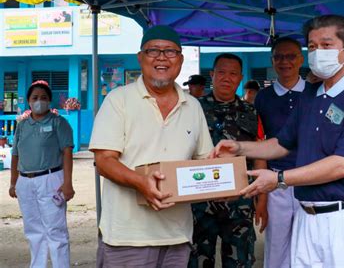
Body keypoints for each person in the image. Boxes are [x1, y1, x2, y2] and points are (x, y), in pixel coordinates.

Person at [213, 14, 344, 267]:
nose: (318, 53)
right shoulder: (311, 94)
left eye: (326, 45)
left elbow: (343, 165)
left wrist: (280, 179)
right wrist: (239, 147)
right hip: (308, 215)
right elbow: (282, 143)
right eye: (313, 47)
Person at [89, 25, 213, 268]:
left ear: (180, 59)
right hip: (127, 237)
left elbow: (203, 161)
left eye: (170, 52)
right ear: (140, 57)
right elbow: (104, 161)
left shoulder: (193, 106)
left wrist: (221, 162)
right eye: (153, 51)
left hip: (177, 235)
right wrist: (140, 182)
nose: (161, 58)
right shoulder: (118, 100)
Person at [188, 53, 267, 268]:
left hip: (239, 201)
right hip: (200, 202)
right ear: (212, 75)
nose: (226, 78)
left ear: (240, 78)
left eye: (233, 74)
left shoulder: (251, 111)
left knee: (240, 261)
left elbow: (260, 154)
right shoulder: (192, 109)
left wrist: (262, 200)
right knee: (197, 260)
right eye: (221, 72)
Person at [253, 37, 309, 268]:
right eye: (279, 57)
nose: (285, 62)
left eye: (291, 56)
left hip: (310, 182)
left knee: (308, 249)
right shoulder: (263, 98)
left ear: (301, 60)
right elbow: (259, 144)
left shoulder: (315, 94)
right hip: (277, 183)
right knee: (276, 249)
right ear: (272, 61)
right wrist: (262, 198)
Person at [9, 80, 74, 268]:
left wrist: (68, 183)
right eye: (35, 98)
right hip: (25, 181)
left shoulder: (58, 123)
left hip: (51, 179)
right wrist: (14, 183)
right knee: (33, 229)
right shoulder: (22, 126)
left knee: (55, 229)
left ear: (50, 101)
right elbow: (15, 155)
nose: (39, 101)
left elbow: (67, 152)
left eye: (44, 98)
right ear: (28, 101)